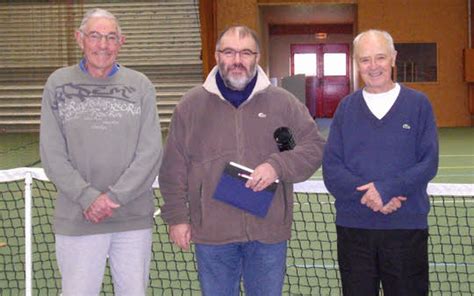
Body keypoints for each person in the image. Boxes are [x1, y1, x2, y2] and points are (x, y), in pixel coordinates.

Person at [159, 25, 325, 295]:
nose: (237, 60)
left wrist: (277, 166)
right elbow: (172, 169)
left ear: (257, 57)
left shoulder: (284, 102)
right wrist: (178, 218)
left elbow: (315, 147)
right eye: (229, 52)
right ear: (216, 56)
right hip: (212, 236)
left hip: (268, 234)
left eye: (245, 52)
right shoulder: (189, 106)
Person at [40, 8, 162, 296]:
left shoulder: (141, 86)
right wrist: (88, 199)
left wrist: (114, 198)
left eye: (110, 37)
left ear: (121, 42)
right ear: (79, 38)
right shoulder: (57, 84)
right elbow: (52, 154)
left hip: (132, 219)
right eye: (95, 36)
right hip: (78, 219)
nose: (103, 45)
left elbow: (150, 152)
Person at [322, 29, 439, 296]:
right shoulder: (346, 108)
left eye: (380, 58)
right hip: (355, 232)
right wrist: (372, 195)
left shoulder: (419, 104)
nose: (373, 66)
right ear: (356, 63)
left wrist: (386, 190)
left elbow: (428, 162)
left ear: (393, 58)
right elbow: (332, 169)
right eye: (365, 60)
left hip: (406, 230)